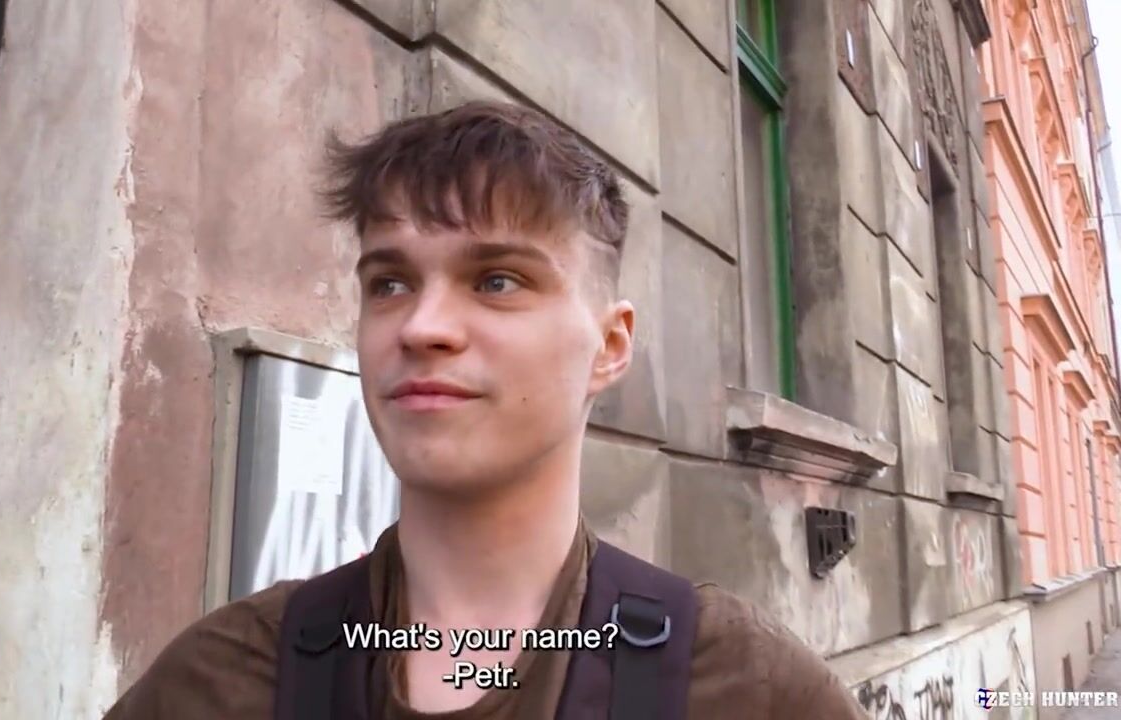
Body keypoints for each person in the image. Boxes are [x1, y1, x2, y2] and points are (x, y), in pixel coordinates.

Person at [103, 100, 867, 719]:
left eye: (497, 281)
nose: (421, 326)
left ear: (609, 346)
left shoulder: (745, 688)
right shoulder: (222, 682)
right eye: (390, 283)